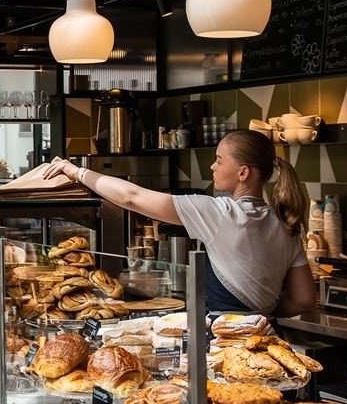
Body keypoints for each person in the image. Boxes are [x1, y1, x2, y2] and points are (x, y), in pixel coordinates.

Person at [39, 129, 316, 319]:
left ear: (243, 173)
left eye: (219, 160)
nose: (213, 167)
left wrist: (77, 172)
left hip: (225, 345)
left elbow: (131, 197)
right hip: (270, 341)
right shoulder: (286, 225)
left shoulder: (220, 213)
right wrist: (259, 316)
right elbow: (303, 300)